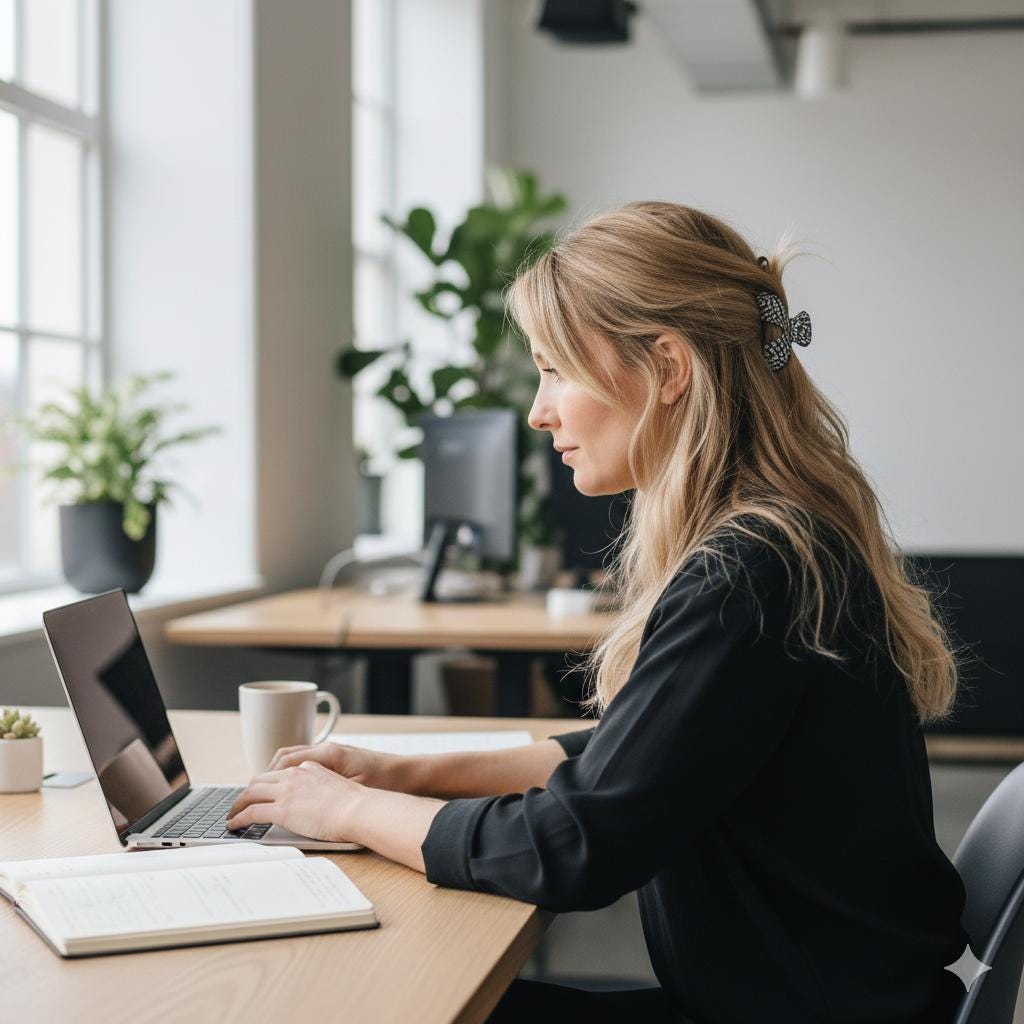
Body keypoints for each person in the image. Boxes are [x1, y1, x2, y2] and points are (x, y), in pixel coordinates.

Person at [226, 202, 969, 1023]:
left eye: (555, 371)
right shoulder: (781, 535)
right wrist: (399, 774)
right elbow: (632, 763)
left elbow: (572, 847)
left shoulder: (750, 570)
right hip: (817, 1003)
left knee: (379, 997)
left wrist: (349, 812)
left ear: (668, 368)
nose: (540, 412)